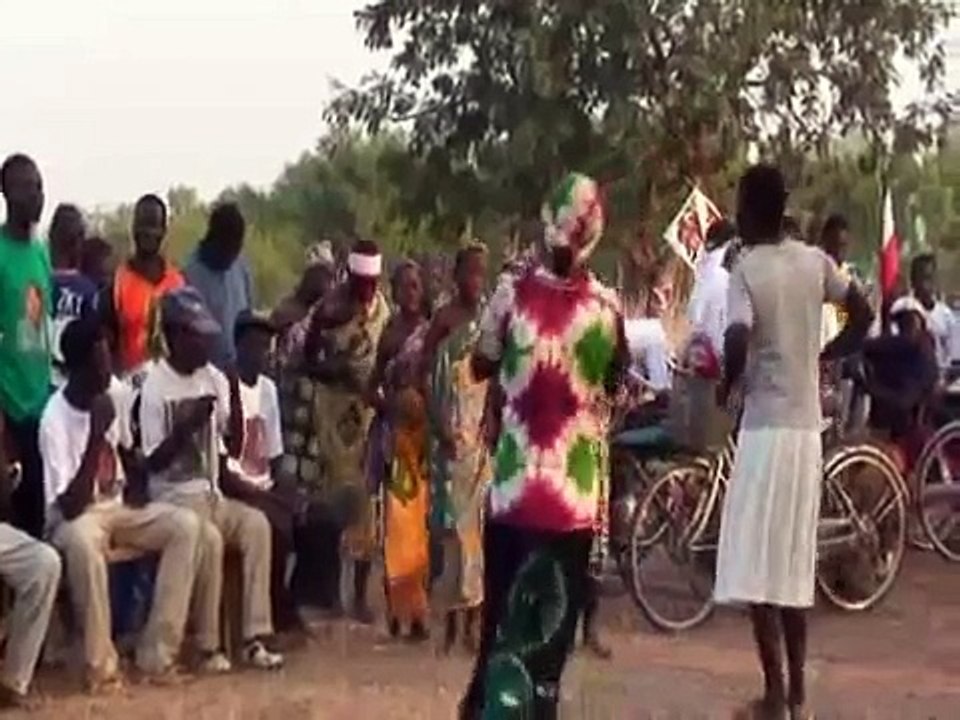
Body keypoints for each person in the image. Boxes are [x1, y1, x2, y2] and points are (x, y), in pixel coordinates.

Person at [460, 174, 627, 719]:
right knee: (549, 645)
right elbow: (617, 383)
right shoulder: (607, 308)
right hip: (571, 502)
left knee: (499, 636)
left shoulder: (511, 294)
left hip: (513, 491)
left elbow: (481, 362)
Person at [714, 165, 872, 720]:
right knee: (792, 564)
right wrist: (827, 356)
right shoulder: (815, 261)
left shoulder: (745, 269)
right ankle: (798, 695)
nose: (735, 216)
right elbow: (864, 312)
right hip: (807, 434)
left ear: (754, 210)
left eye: (739, 205)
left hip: (763, 432)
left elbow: (735, 339)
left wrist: (728, 384)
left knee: (759, 566)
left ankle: (775, 695)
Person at [40, 317, 203, 689]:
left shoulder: (112, 396)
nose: (108, 368)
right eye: (99, 362)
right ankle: (102, 667)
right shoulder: (55, 418)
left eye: (108, 358)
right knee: (82, 544)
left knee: (184, 527)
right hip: (74, 518)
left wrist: (137, 482)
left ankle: (156, 656)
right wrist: (96, 434)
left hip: (115, 509)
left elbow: (128, 458)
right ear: (77, 369)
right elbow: (68, 507)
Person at [139, 287, 282, 671]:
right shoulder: (154, 386)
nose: (205, 343)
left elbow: (231, 448)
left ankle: (254, 636)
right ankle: (208, 646)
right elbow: (152, 463)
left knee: (255, 526)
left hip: (211, 494)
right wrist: (184, 428)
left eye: (206, 335)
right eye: (196, 335)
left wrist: (232, 395)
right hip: (173, 497)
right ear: (174, 336)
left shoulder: (212, 378)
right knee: (211, 538)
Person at [300, 239, 389, 623]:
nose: (367, 289)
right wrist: (336, 370)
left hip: (369, 415)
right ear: (349, 276)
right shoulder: (328, 311)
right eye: (360, 282)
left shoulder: (383, 311)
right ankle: (332, 593)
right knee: (336, 502)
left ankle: (359, 597)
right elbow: (306, 362)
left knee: (368, 505)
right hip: (333, 420)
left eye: (372, 282)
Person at [422, 243, 490, 654]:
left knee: (477, 533)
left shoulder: (488, 322)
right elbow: (425, 376)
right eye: (469, 273)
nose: (475, 282)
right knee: (451, 534)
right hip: (450, 438)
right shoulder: (444, 320)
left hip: (480, 436)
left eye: (481, 274)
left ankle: (472, 623)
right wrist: (440, 426)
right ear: (456, 276)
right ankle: (449, 622)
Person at [219, 309, 304, 634]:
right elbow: (225, 467)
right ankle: (276, 613)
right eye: (254, 345)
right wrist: (267, 496)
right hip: (238, 488)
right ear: (238, 346)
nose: (261, 353)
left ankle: (288, 601)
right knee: (277, 525)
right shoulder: (225, 385)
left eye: (266, 346)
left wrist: (288, 489)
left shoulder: (267, 389)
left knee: (312, 516)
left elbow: (276, 453)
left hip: (264, 483)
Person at [273, 246, 340, 615]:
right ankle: (287, 592)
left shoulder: (328, 316)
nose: (326, 283)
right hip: (288, 414)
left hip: (316, 418)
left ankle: (312, 590)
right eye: (321, 275)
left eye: (330, 276)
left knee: (318, 502)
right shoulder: (287, 313)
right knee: (289, 496)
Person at [368, 260, 431, 641]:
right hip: (397, 441)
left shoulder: (430, 335)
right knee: (398, 527)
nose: (410, 293)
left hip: (423, 439)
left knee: (421, 527)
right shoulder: (390, 338)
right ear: (393, 291)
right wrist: (392, 406)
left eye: (415, 286)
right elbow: (369, 389)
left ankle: (419, 613)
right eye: (403, 286)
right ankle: (397, 609)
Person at [0, 153, 53, 540]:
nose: (37, 196)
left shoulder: (39, 252)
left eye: (39, 186)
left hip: (42, 405)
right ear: (6, 193)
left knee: (40, 519)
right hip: (10, 407)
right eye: (27, 187)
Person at [102, 194, 184, 380]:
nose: (148, 233)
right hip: (130, 389)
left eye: (154, 226)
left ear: (164, 230)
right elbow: (106, 345)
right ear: (133, 228)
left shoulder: (178, 284)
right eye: (143, 226)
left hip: (171, 388)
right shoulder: (116, 284)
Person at [184, 203, 253, 370]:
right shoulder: (188, 277)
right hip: (203, 376)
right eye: (228, 248)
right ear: (214, 239)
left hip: (238, 374)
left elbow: (248, 318)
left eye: (237, 248)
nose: (232, 255)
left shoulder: (242, 268)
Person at [49, 204, 97, 387]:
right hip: (75, 392)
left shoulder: (36, 283)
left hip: (38, 388)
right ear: (79, 242)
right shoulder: (88, 291)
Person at [687, 218, 737, 358]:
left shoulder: (703, 270)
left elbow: (693, 314)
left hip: (700, 354)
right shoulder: (723, 275)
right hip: (718, 358)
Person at [909, 253, 955, 374]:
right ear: (913, 282)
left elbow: (951, 356)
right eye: (922, 278)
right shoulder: (903, 312)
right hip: (909, 382)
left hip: (940, 381)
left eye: (930, 278)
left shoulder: (946, 316)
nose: (926, 285)